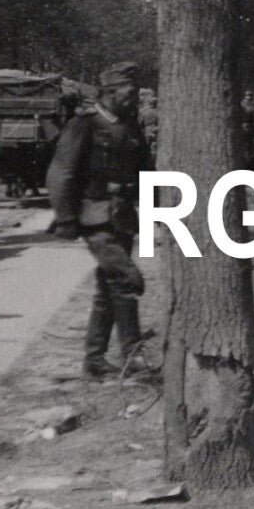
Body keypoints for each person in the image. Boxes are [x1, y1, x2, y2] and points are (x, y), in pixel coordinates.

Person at [47, 62, 155, 380]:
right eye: (129, 92)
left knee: (108, 288)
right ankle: (133, 356)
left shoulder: (129, 125)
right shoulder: (84, 125)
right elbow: (61, 172)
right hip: (94, 215)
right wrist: (65, 217)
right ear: (110, 92)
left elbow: (145, 172)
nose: (134, 98)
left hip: (122, 216)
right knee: (127, 279)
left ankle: (94, 361)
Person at [138, 88, 161, 158]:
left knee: (149, 149)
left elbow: (139, 123)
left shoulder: (142, 111)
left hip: (148, 131)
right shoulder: (155, 110)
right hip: (155, 128)